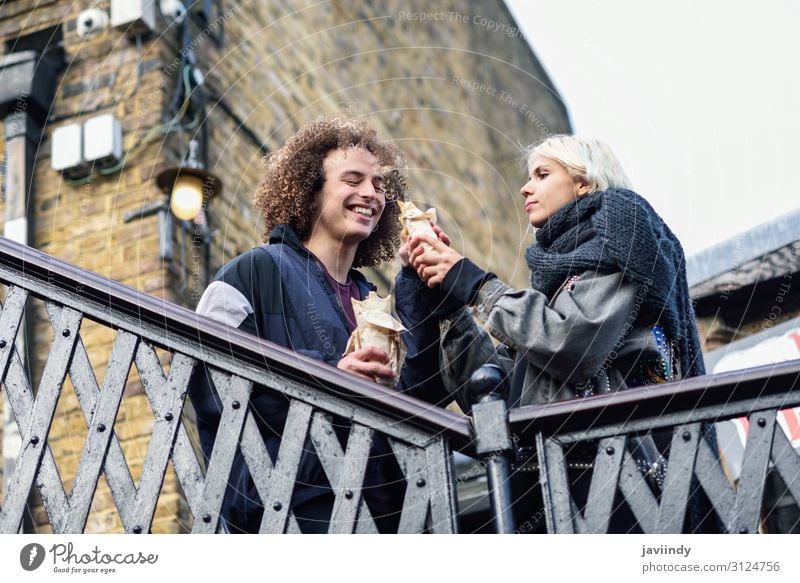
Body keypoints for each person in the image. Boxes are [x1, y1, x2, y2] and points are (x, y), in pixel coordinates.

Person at [401, 134, 715, 532]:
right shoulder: (564, 274)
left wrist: (472, 282)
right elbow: (495, 388)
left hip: (612, 475)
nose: (525, 187)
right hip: (553, 477)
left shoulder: (622, 237)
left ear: (584, 182)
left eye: (542, 174)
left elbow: (570, 341)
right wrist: (448, 301)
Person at [189, 116, 447, 533]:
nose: (371, 194)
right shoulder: (254, 271)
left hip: (386, 520)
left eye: (379, 185)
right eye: (353, 179)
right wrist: (331, 378)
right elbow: (214, 380)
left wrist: (418, 282)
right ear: (310, 191)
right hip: (290, 509)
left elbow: (419, 397)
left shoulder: (372, 303)